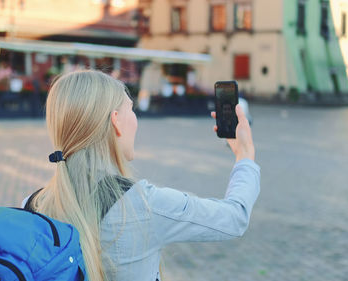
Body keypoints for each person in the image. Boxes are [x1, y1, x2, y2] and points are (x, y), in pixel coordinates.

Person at [21, 70, 260, 281]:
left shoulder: (32, 206)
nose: (135, 120)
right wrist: (245, 156)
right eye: (131, 110)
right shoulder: (143, 204)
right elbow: (234, 218)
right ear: (115, 121)